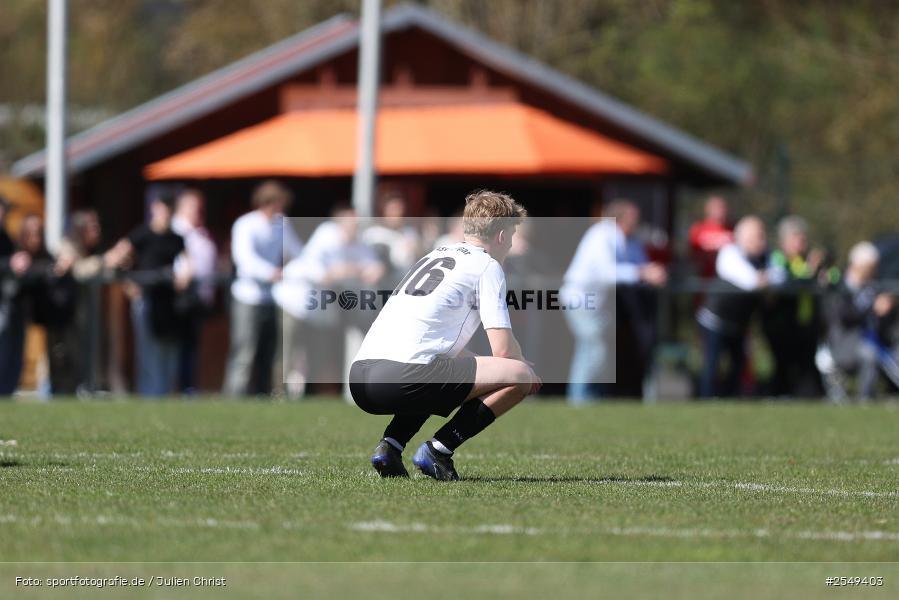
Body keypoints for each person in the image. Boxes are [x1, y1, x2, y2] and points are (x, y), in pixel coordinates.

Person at [349, 190, 540, 481]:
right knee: (519, 375)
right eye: (512, 235)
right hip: (401, 378)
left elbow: (438, 345)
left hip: (361, 376)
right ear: (501, 236)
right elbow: (503, 351)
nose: (512, 244)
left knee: (440, 368)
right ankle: (439, 449)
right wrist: (524, 371)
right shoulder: (487, 266)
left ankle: (390, 446)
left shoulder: (436, 254)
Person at [560, 199, 667, 403]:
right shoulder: (601, 235)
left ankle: (588, 397)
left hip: (600, 305)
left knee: (596, 350)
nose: (637, 222)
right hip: (581, 300)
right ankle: (579, 399)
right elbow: (607, 273)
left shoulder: (628, 240)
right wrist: (644, 273)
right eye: (633, 217)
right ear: (621, 218)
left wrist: (652, 272)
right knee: (594, 347)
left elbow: (640, 264)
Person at [105, 194, 190, 396]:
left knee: (169, 349)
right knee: (148, 350)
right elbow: (114, 259)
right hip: (147, 299)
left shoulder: (177, 238)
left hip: (170, 302)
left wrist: (184, 277)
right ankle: (150, 393)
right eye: (163, 209)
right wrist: (128, 284)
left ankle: (167, 392)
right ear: (155, 209)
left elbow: (187, 264)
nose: (166, 215)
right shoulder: (141, 234)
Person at [223, 180, 303, 397]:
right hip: (247, 297)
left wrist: (296, 270)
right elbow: (244, 259)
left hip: (273, 297)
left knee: (270, 352)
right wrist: (272, 272)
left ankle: (266, 393)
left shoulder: (282, 225)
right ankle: (235, 394)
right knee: (244, 351)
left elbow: (297, 252)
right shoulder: (245, 224)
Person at [696, 216, 769, 398]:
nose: (762, 241)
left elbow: (778, 275)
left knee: (738, 366)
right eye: (757, 237)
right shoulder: (729, 253)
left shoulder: (764, 258)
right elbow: (751, 281)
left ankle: (729, 402)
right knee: (712, 366)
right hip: (714, 322)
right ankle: (705, 403)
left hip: (738, 324)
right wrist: (764, 279)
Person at [821, 242, 896, 400]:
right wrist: (872, 307)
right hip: (843, 345)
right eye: (872, 266)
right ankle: (865, 398)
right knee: (869, 353)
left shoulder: (873, 287)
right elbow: (845, 317)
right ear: (860, 266)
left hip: (877, 343)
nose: (875, 270)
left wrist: (887, 309)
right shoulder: (839, 285)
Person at [762, 216, 825, 397]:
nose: (801, 242)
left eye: (803, 238)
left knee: (806, 367)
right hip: (782, 324)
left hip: (805, 323)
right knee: (783, 367)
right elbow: (786, 281)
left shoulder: (807, 260)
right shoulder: (778, 259)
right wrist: (811, 271)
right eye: (796, 238)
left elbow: (832, 277)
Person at [171, 188, 218, 394]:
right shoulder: (176, 231)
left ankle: (188, 387)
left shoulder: (200, 232)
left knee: (191, 347)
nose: (198, 212)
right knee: (178, 348)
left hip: (199, 298)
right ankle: (176, 388)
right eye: (193, 207)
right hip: (180, 297)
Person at [0, 197, 32, 396]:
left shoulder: (7, 239)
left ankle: (6, 391)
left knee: (12, 350)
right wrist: (9, 264)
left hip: (10, 304)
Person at [688, 195, 734, 278]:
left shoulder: (732, 229)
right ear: (707, 209)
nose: (720, 210)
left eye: (722, 207)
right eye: (716, 207)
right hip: (703, 276)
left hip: (727, 277)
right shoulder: (698, 228)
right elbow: (692, 254)